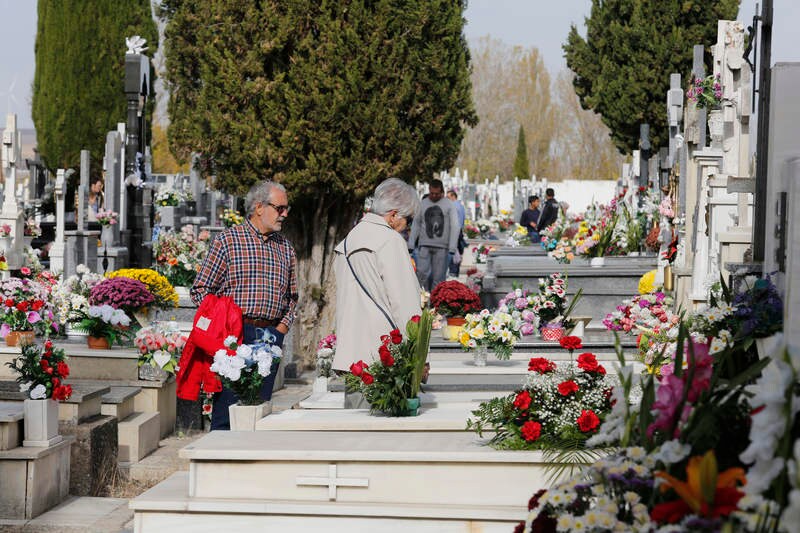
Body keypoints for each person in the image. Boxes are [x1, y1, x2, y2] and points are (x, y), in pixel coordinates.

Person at [191, 181, 298, 430]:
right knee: (228, 410)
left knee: (259, 411)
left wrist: (281, 329)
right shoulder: (228, 241)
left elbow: (293, 297)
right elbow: (201, 290)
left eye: (286, 208)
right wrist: (223, 323)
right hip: (234, 336)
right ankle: (219, 462)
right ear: (259, 207)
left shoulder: (285, 248)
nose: (285, 213)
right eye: (280, 208)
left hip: (270, 336)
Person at [332, 178, 422, 373]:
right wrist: (420, 356)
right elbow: (405, 303)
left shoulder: (348, 240)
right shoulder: (390, 240)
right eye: (409, 219)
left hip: (350, 353)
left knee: (356, 403)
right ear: (394, 215)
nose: (408, 227)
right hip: (383, 352)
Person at [408, 179, 460, 291]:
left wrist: (452, 246)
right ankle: (423, 299)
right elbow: (416, 223)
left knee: (439, 277)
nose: (434, 196)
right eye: (432, 193)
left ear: (442, 192)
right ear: (429, 190)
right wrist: (411, 243)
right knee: (421, 274)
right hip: (425, 244)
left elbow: (455, 225)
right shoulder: (423, 203)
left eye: (437, 194)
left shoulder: (448, 204)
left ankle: (435, 304)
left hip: (442, 246)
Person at [447, 189, 466, 276]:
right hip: (459, 231)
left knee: (453, 252)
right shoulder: (460, 206)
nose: (447, 199)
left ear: (453, 196)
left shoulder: (453, 206)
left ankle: (453, 272)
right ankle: (455, 271)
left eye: (448, 197)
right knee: (457, 252)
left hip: (454, 231)